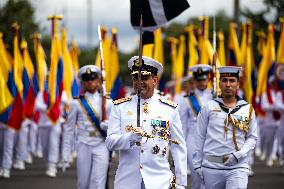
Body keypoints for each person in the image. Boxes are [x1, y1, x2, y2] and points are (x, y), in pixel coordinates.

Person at [105, 56, 187, 189]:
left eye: (144, 78)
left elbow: (179, 146)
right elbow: (109, 143)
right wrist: (130, 138)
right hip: (128, 181)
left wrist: (181, 182)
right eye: (135, 78)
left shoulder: (169, 108)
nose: (139, 82)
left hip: (159, 180)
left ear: (154, 80)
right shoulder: (120, 107)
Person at [193, 66, 258, 189]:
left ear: (238, 84)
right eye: (224, 81)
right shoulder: (209, 107)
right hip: (211, 167)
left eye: (232, 81)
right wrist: (197, 164)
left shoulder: (247, 109)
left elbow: (252, 137)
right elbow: (199, 136)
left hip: (238, 166)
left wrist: (239, 154)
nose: (228, 84)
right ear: (219, 84)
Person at [62, 65, 112, 189]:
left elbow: (116, 126)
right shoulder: (76, 103)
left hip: (101, 144)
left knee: (98, 183)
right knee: (83, 183)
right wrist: (65, 152)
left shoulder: (108, 102)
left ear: (99, 81)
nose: (90, 82)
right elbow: (69, 129)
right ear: (83, 83)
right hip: (83, 143)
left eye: (93, 79)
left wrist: (108, 126)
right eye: (87, 80)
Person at [177, 64, 212, 189]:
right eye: (199, 80)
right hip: (193, 139)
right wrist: (181, 145)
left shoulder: (216, 96)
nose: (202, 82)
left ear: (208, 79)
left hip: (213, 140)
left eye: (204, 79)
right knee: (197, 174)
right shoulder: (186, 99)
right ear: (195, 81)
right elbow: (183, 124)